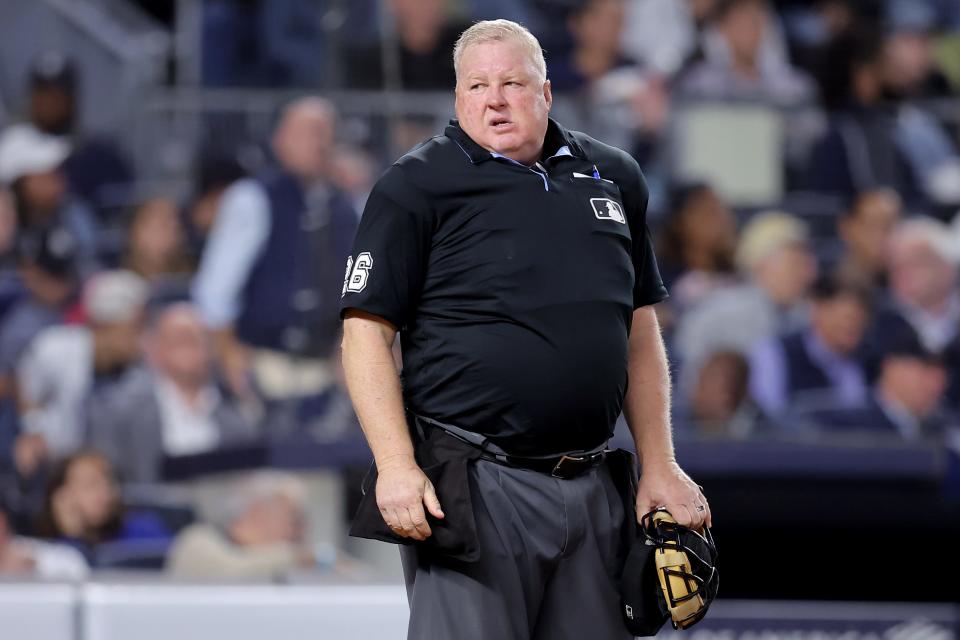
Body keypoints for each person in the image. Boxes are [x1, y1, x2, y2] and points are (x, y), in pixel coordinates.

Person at [340, 20, 709, 640]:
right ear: (458, 99)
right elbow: (365, 333)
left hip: (592, 485)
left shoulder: (615, 176)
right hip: (476, 485)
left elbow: (639, 329)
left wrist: (661, 464)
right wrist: (396, 464)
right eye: (477, 85)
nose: (494, 99)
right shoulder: (415, 186)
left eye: (512, 82)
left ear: (546, 93)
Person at [192, 97, 357, 404]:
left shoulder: (346, 207)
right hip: (263, 366)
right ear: (280, 140)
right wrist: (228, 356)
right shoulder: (251, 198)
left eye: (325, 132)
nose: (318, 141)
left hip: (327, 371)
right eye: (306, 131)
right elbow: (214, 292)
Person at [87, 303, 258, 484]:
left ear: (211, 350)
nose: (188, 347)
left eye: (196, 339)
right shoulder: (118, 410)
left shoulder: (236, 415)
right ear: (155, 349)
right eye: (179, 339)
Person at [14, 270, 149, 475]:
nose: (140, 339)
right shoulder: (56, 346)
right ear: (106, 324)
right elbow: (25, 385)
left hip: (108, 468)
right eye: (134, 328)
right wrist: (33, 430)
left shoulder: (140, 370)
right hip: (55, 461)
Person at [748, 276, 871, 417]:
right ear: (819, 310)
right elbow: (769, 415)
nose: (852, 326)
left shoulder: (867, 362)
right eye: (847, 317)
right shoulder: (775, 353)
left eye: (860, 320)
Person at [166, 471, 320, 580]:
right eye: (293, 517)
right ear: (258, 511)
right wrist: (297, 556)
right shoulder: (198, 541)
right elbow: (229, 573)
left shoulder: (275, 563)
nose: (300, 529)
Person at [33, 450, 171, 560]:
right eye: (91, 485)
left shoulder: (143, 529)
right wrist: (72, 536)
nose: (104, 492)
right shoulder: (44, 549)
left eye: (109, 482)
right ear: (62, 495)